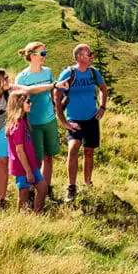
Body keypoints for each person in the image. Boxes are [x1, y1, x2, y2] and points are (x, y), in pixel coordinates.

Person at [0, 68, 66, 209]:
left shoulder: (9, 91)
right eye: (5, 78)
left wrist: (54, 85)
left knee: (2, 162)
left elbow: (30, 89)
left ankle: (0, 201)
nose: (9, 80)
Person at [56, 43, 108, 200]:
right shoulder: (68, 73)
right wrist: (63, 120)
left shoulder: (93, 73)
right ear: (80, 57)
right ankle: (71, 186)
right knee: (73, 148)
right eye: (89, 54)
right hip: (74, 119)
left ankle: (87, 183)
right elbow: (57, 96)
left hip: (91, 118)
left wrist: (102, 107)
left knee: (89, 151)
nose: (92, 56)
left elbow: (103, 89)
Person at [15, 42, 60, 201]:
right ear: (32, 56)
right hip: (32, 123)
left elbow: (52, 89)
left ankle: (46, 189)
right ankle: (33, 191)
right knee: (36, 160)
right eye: (42, 54)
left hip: (49, 120)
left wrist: (54, 104)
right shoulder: (22, 77)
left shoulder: (48, 72)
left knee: (49, 157)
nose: (45, 56)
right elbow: (18, 101)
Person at [6, 91, 48, 213]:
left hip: (30, 164)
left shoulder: (23, 121)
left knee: (43, 188)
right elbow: (19, 150)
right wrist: (28, 171)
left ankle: (38, 213)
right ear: (19, 103)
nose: (31, 103)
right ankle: (22, 217)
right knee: (23, 194)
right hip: (22, 167)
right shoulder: (17, 125)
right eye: (28, 101)